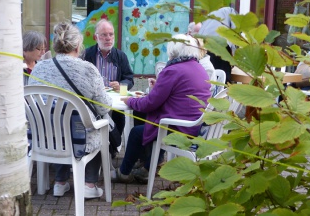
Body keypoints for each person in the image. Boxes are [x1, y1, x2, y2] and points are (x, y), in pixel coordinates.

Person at [29, 22, 112, 198]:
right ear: (77, 45)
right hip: (78, 139)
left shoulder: (39, 68)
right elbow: (104, 106)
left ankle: (60, 182)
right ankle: (89, 184)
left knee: (59, 121)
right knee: (96, 126)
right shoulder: (88, 69)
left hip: (43, 136)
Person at [113, 33, 211, 184]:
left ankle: (124, 173)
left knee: (136, 132)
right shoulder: (199, 68)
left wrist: (130, 100)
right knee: (144, 118)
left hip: (179, 128)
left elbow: (150, 103)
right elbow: (178, 95)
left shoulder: (173, 70)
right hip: (196, 126)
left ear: (174, 50)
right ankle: (147, 167)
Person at [83, 19, 134, 155]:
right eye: (104, 35)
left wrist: (122, 86)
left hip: (114, 99)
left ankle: (112, 150)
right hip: (92, 100)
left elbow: (129, 79)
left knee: (119, 115)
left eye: (111, 34)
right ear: (96, 37)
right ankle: (93, 147)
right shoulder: (87, 55)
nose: (108, 38)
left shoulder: (120, 56)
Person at [198, 7, 237, 83]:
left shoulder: (212, 14)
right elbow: (235, 35)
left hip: (205, 46)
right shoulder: (232, 13)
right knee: (223, 77)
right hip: (220, 47)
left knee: (207, 76)